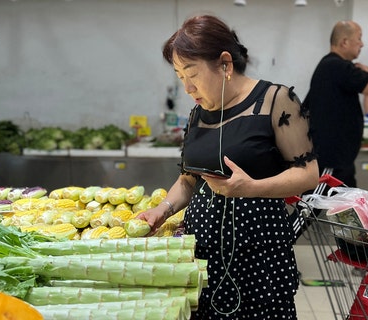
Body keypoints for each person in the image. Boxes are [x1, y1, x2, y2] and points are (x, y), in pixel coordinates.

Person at [137, 15, 319, 319]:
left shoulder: (276, 101)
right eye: (179, 75)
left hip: (259, 253)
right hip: (202, 255)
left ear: (224, 63)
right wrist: (163, 209)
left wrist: (252, 188)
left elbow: (308, 173)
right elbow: (188, 180)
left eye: (192, 73)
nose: (187, 87)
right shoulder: (198, 114)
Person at [303, 20, 368, 188]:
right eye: (359, 38)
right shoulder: (337, 66)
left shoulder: (329, 65)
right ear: (344, 42)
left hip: (338, 156)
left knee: (345, 205)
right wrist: (367, 71)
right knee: (315, 205)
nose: (362, 44)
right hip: (332, 158)